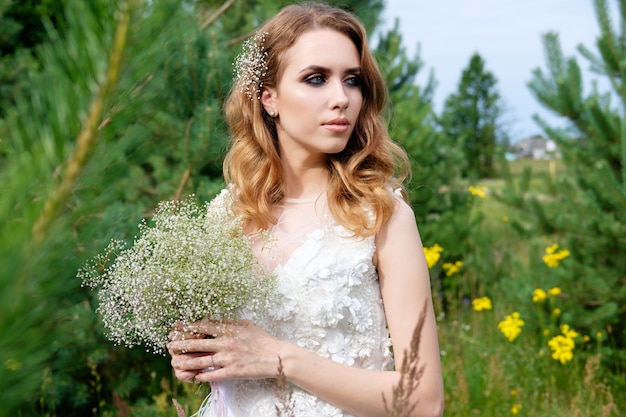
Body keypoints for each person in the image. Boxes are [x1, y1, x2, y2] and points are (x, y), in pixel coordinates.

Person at [167, 3, 444, 417]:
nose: (341, 98)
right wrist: (200, 355)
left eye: (352, 80)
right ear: (269, 98)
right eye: (316, 79)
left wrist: (280, 358)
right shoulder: (226, 215)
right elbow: (232, 357)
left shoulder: (382, 215)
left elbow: (424, 401)